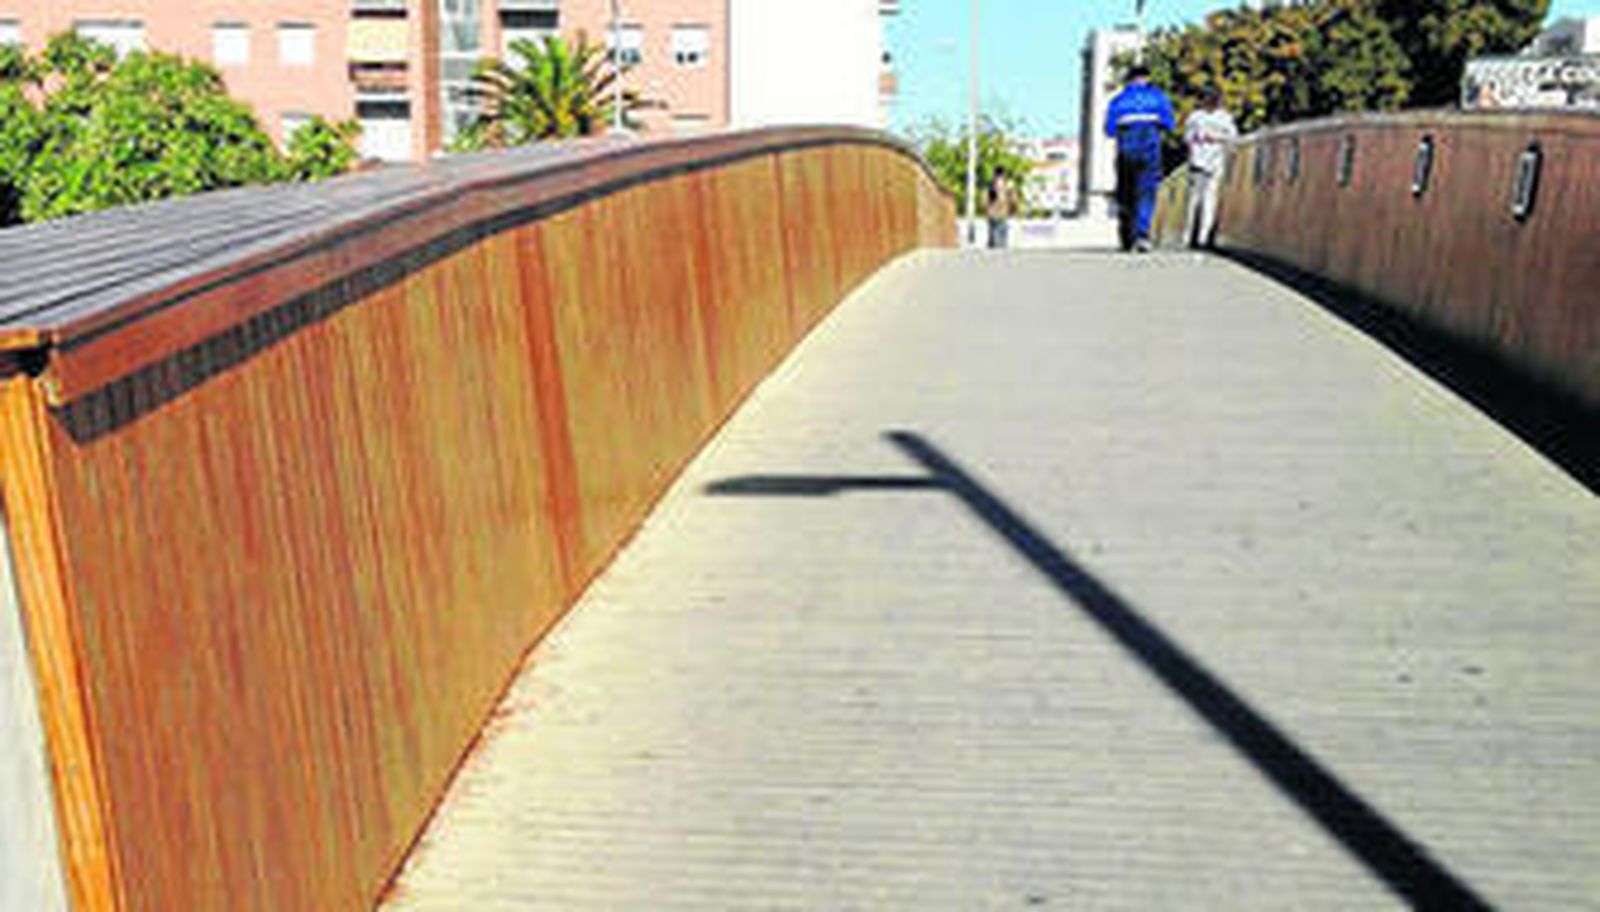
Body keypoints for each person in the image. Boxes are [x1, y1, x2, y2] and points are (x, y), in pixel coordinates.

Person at [1104, 63, 1175, 253]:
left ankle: (1126, 236)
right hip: (1149, 151)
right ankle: (1142, 235)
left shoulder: (1118, 101)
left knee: (1126, 195)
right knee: (1146, 194)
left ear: (1129, 79)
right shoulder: (1158, 98)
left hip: (1125, 152)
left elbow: (1109, 130)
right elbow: (1170, 124)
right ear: (1147, 78)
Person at [1182, 86, 1237, 249]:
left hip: (1214, 162)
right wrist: (1198, 139)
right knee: (1197, 200)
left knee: (1207, 199)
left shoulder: (1224, 118)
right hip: (1199, 161)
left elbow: (1233, 138)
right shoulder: (1196, 117)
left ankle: (1202, 237)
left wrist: (1214, 138)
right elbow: (1187, 137)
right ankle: (1192, 236)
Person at [987, 170, 1017, 249]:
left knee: (998, 243)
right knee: (998, 243)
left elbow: (1014, 201)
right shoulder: (994, 188)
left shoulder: (993, 188)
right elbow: (1014, 201)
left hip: (999, 217)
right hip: (997, 217)